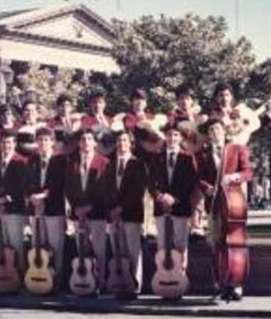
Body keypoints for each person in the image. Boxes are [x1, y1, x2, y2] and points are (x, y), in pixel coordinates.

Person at [196, 117, 253, 300]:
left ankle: (236, 283)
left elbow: (248, 172)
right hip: (214, 205)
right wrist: (208, 188)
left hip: (233, 203)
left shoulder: (236, 149)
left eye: (218, 129)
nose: (215, 133)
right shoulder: (203, 155)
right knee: (215, 244)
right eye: (211, 130)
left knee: (235, 243)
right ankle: (219, 281)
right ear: (209, 135)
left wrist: (234, 178)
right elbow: (200, 178)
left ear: (224, 131)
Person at [65, 128, 110, 291]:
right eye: (83, 139)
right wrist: (76, 208)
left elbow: (105, 188)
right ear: (79, 143)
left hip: (97, 212)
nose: (86, 142)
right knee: (82, 249)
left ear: (95, 143)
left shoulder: (104, 162)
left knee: (99, 248)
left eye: (89, 139)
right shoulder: (72, 162)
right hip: (79, 214)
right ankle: (85, 281)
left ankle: (101, 282)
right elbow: (68, 187)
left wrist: (90, 206)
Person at [149, 124, 198, 270]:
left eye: (176, 135)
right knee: (162, 243)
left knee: (180, 243)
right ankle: (164, 274)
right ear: (165, 137)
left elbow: (191, 181)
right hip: (161, 205)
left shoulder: (188, 158)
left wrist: (175, 198)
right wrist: (160, 197)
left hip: (180, 205)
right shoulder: (156, 157)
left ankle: (180, 276)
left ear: (181, 138)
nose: (172, 138)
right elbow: (150, 181)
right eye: (169, 135)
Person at [26, 127, 68, 291]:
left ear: (52, 142)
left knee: (55, 245)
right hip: (35, 208)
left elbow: (61, 184)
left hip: (54, 208)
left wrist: (44, 197)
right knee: (37, 244)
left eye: (46, 140)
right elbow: (26, 182)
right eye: (40, 140)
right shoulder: (31, 160)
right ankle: (38, 278)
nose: (43, 143)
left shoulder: (60, 161)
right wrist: (32, 197)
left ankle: (57, 280)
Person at [105, 130, 147, 293]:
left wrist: (121, 208)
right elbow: (106, 189)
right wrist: (112, 209)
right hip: (113, 215)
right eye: (119, 141)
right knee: (118, 250)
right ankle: (121, 282)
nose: (121, 144)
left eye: (124, 141)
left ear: (130, 144)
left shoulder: (138, 164)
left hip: (131, 213)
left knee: (132, 250)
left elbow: (138, 191)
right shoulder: (109, 164)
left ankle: (134, 286)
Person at [0, 129, 29, 273]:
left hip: (14, 209)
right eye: (4, 142)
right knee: (1, 243)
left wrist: (5, 199)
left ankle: (20, 274)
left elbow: (23, 186)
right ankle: (4, 274)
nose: (6, 145)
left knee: (16, 243)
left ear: (15, 144)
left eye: (10, 142)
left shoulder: (22, 162)